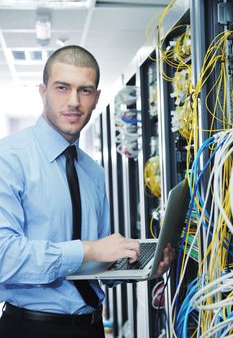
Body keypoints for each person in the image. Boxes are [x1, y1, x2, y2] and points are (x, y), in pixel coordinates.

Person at [0, 45, 175, 338]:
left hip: (90, 327)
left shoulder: (92, 171)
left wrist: (139, 264)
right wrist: (90, 248)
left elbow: (96, 265)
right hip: (31, 328)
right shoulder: (9, 159)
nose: (73, 101)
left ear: (96, 98)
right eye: (62, 87)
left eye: (85, 90)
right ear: (43, 92)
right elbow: (4, 257)